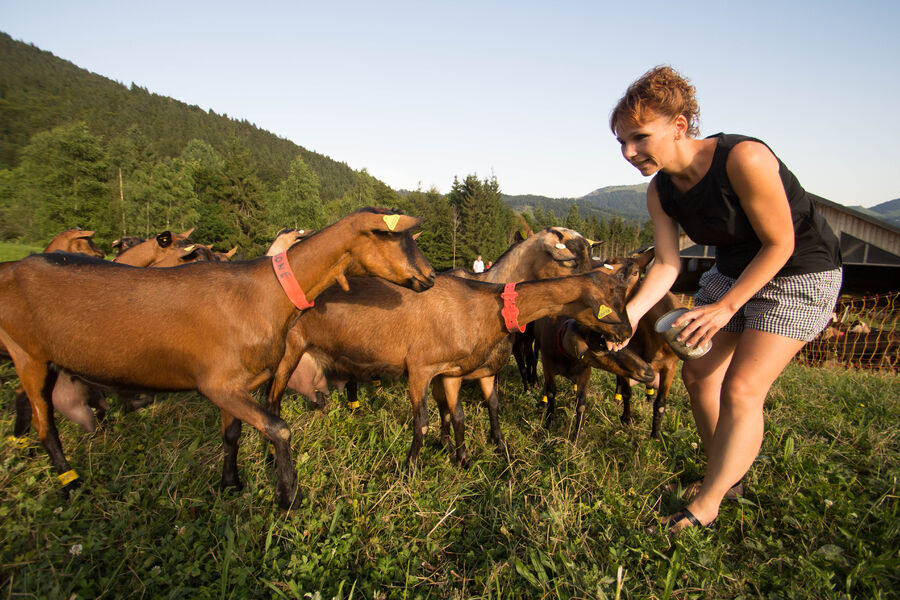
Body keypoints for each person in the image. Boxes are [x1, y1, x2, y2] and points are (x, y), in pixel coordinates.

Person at [608, 66, 842, 532]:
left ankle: (708, 503)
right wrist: (627, 317)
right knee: (698, 374)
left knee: (741, 389)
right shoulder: (661, 192)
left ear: (679, 126)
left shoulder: (744, 158)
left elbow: (781, 244)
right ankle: (728, 474)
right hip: (733, 270)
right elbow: (668, 265)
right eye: (621, 142)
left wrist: (725, 307)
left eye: (638, 137)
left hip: (800, 271)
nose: (629, 152)